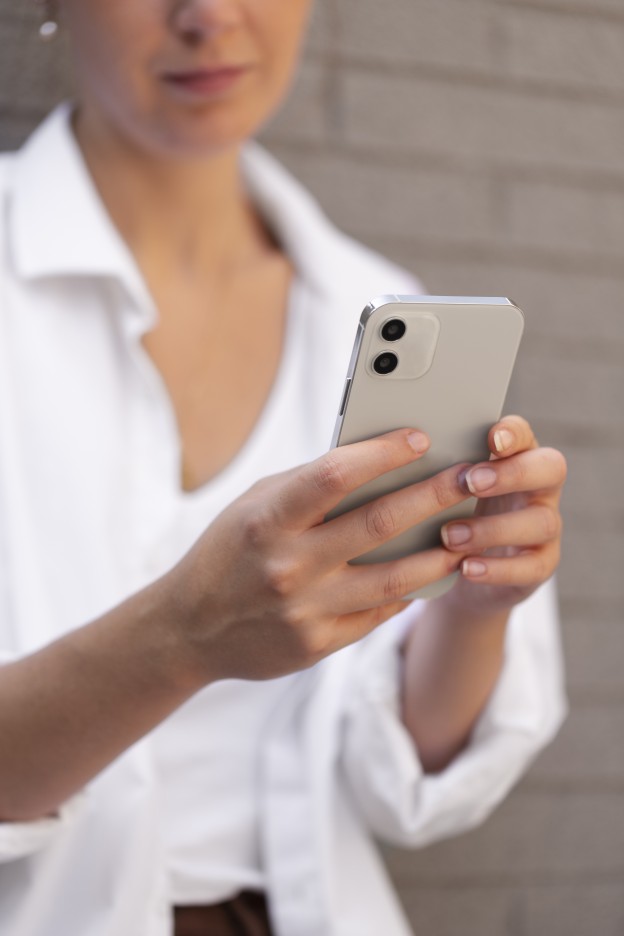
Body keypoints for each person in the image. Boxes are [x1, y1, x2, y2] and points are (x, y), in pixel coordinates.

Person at [0, 1, 567, 934]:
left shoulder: (376, 311)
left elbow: (406, 794)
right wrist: (182, 638)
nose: (209, 15)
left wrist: (475, 605)